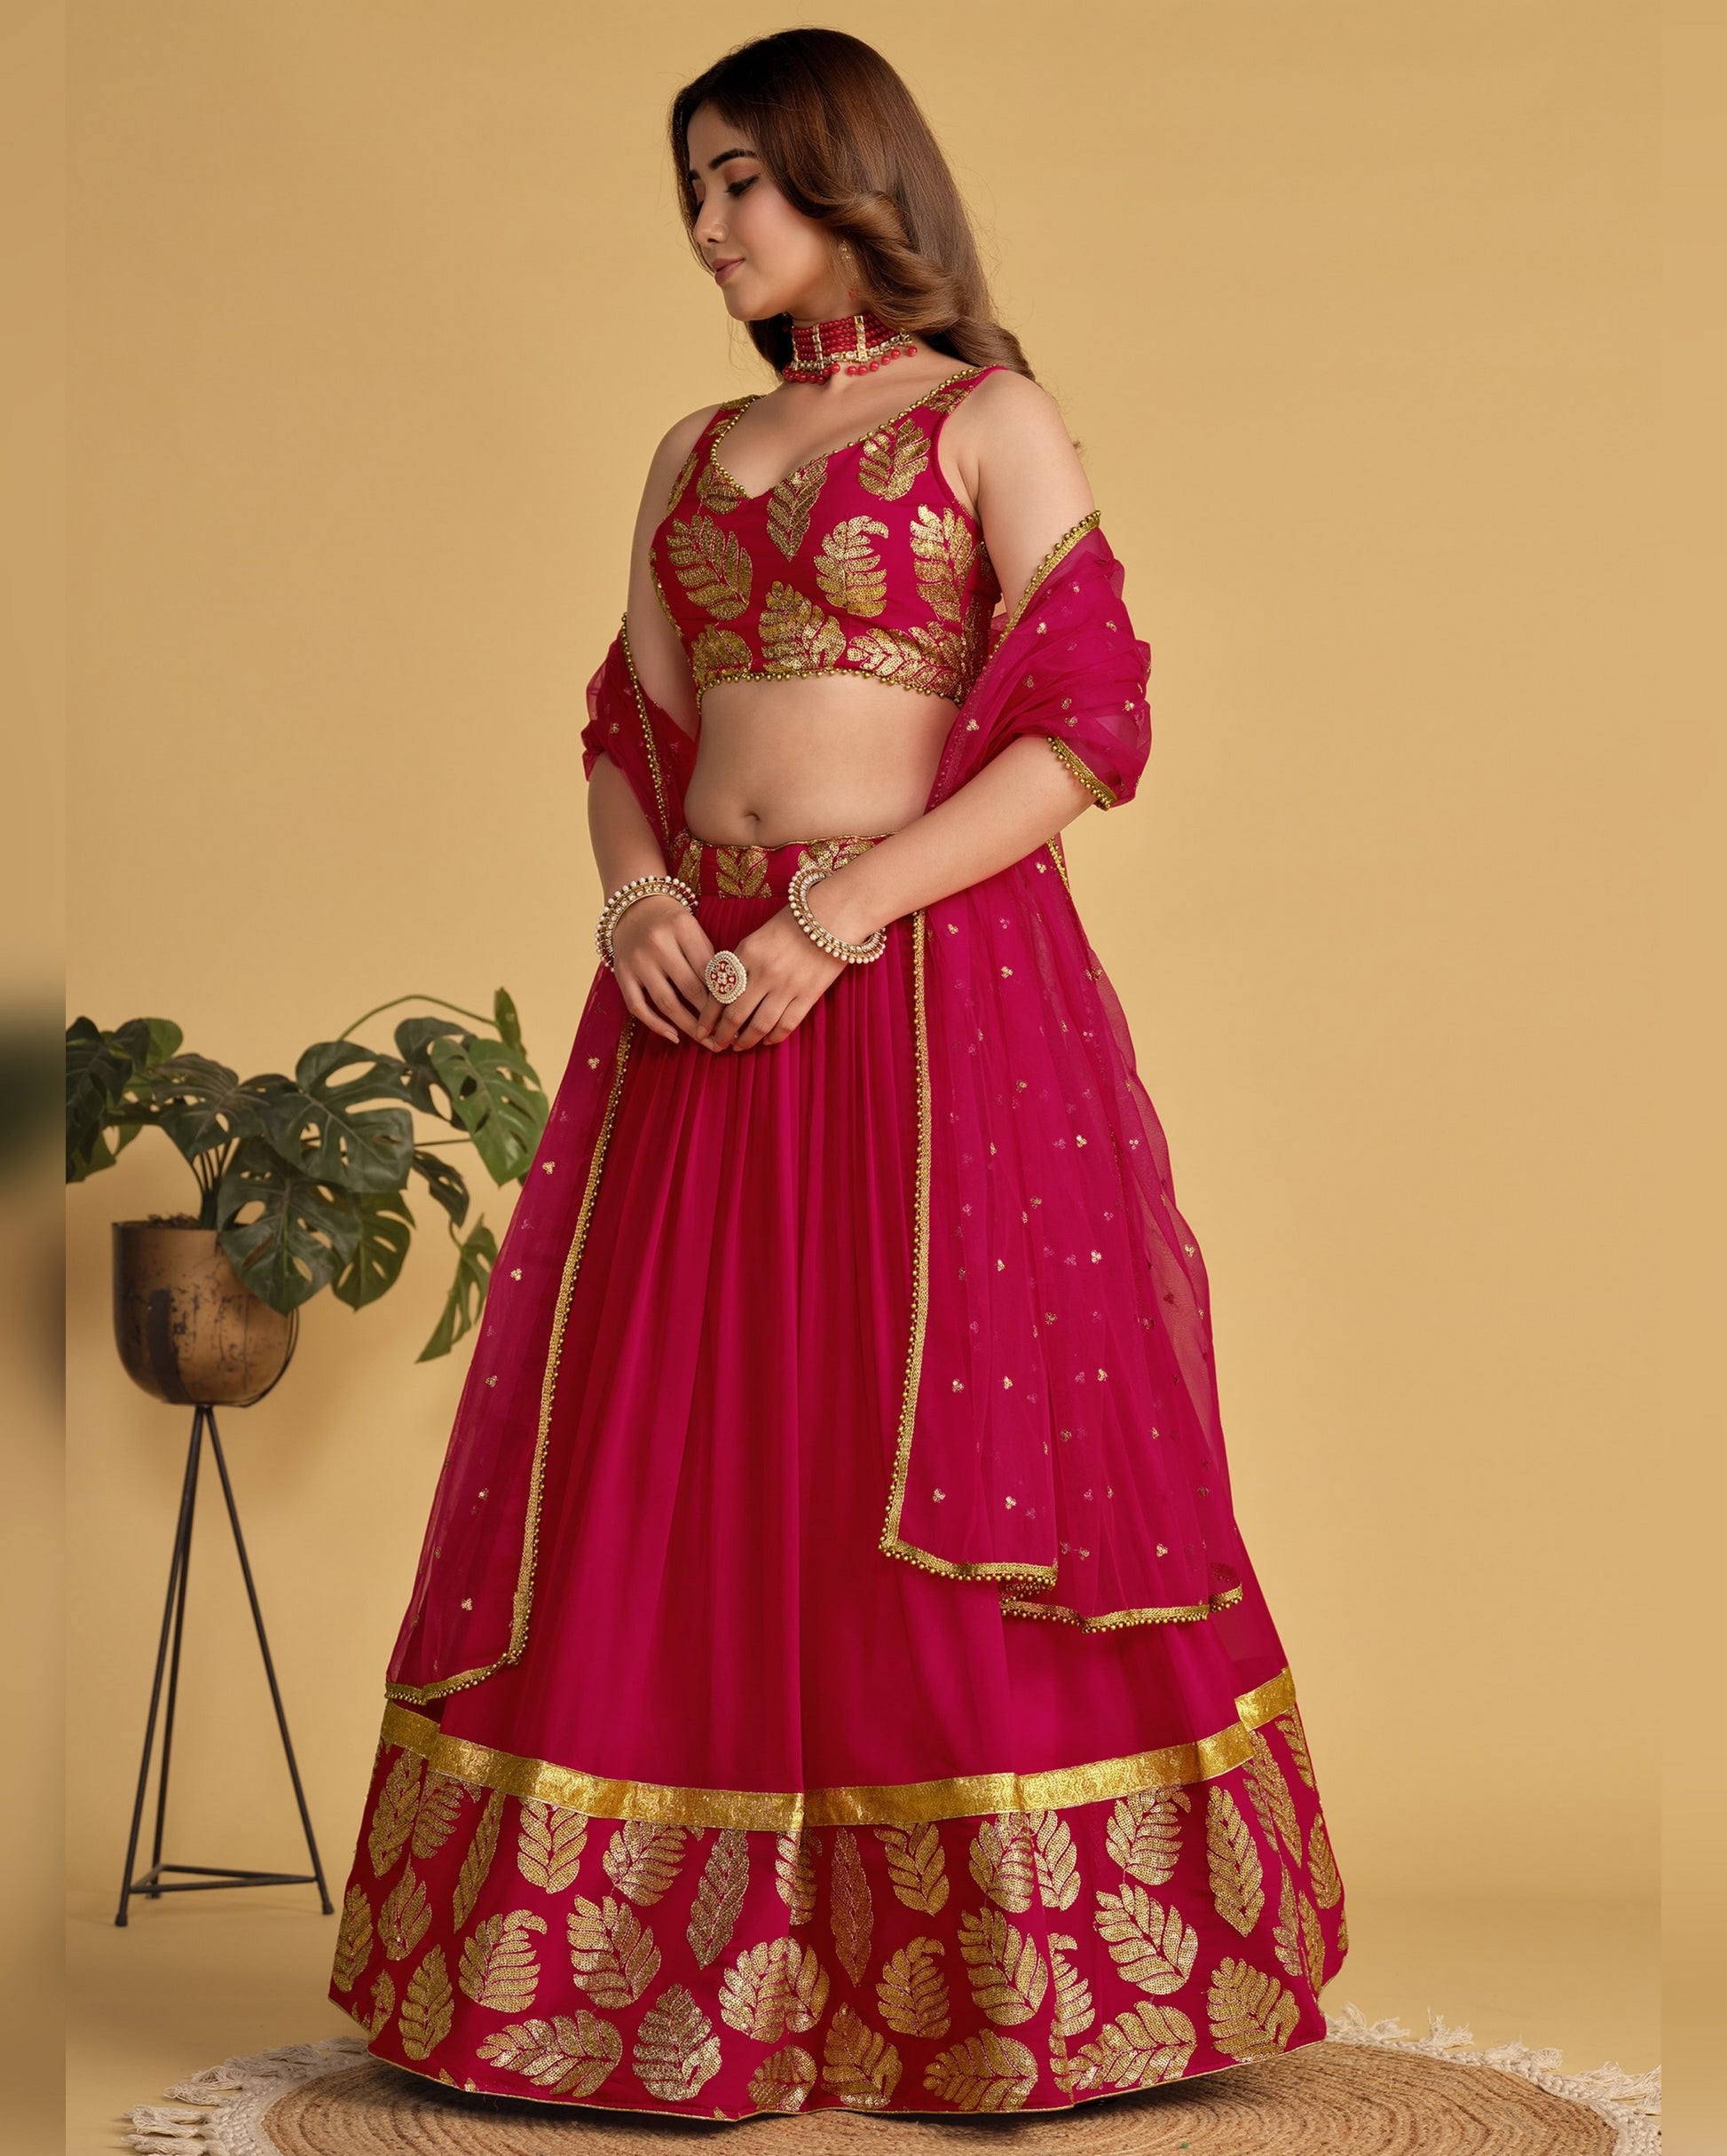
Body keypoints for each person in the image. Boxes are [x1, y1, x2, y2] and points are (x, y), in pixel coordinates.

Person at [328, 27, 1348, 2120]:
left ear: (844, 174)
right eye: (691, 191)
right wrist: (641, 907)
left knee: (931, 1454)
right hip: (695, 996)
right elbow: (629, 733)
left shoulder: (989, 420)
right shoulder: (689, 448)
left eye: (739, 182)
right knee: (675, 1456)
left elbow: (1082, 732)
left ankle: (996, 1996)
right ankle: (634, 1989)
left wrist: (834, 916)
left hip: (921, 998)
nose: (706, 227)